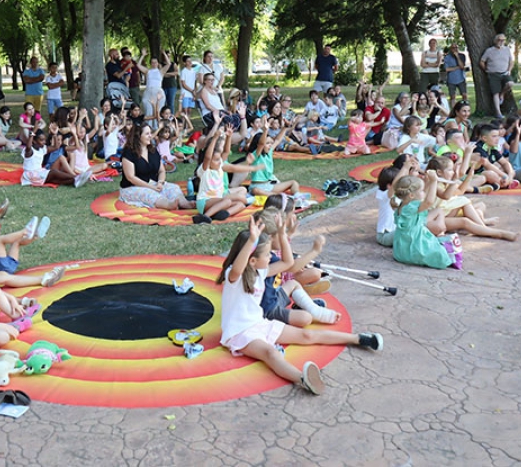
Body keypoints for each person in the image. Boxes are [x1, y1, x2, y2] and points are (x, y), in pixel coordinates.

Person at [218, 215, 383, 396]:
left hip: (260, 323)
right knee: (270, 354)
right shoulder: (234, 277)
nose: (270, 256)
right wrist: (251, 240)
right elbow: (237, 268)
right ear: (252, 260)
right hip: (240, 332)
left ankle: (359, 338)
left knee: (307, 334)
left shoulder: (260, 272)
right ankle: (303, 379)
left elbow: (288, 263)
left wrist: (282, 234)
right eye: (266, 254)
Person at [0, 207, 65, 290]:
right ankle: (25, 231)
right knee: (0, 240)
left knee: (16, 242)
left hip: (7, 264)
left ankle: (35, 235)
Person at [118, 124, 194, 210]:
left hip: (153, 184)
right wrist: (151, 187)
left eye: (150, 133)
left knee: (173, 187)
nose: (151, 136)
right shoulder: (128, 153)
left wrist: (160, 182)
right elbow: (130, 177)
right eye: (147, 134)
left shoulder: (153, 151)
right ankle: (168, 205)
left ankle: (184, 203)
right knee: (149, 193)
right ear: (138, 136)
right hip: (132, 187)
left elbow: (161, 171)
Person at [22, 130, 91, 187]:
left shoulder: (42, 149)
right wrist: (32, 134)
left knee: (56, 180)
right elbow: (28, 146)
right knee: (54, 172)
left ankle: (75, 182)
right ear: (34, 141)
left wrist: (54, 135)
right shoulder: (29, 151)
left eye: (44, 140)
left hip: (39, 172)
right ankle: (76, 177)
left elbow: (56, 147)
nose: (44, 142)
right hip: (31, 175)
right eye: (41, 140)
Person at [479, 34, 514, 119]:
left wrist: (509, 70)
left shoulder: (507, 50)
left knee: (510, 83)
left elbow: (511, 61)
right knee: (495, 93)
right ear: (495, 41)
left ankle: (502, 94)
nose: (501, 42)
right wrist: (486, 70)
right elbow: (482, 61)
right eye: (499, 40)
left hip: (505, 73)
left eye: (503, 40)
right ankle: (498, 113)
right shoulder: (489, 51)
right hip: (493, 74)